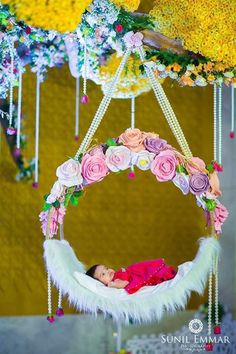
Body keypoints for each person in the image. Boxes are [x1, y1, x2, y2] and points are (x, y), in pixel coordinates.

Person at [86, 259, 177, 294]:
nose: (108, 271)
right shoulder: (111, 283)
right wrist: (113, 285)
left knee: (148, 271)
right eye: (103, 274)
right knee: (150, 274)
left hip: (135, 271)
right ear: (99, 282)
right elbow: (123, 284)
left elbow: (124, 283)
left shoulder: (115, 278)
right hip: (133, 272)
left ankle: (165, 273)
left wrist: (113, 284)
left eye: (106, 268)